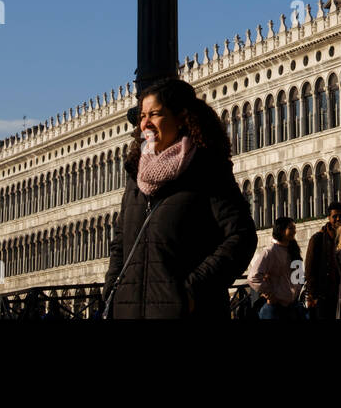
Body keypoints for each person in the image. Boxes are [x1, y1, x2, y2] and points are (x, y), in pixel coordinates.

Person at [103, 77, 257, 318]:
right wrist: (113, 288)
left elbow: (241, 237)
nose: (145, 124)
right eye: (142, 116)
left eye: (154, 114)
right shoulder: (136, 176)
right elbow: (120, 242)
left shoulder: (206, 169)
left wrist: (192, 291)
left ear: (182, 118)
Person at [248, 216, 304, 319]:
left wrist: (297, 292)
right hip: (275, 308)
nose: (294, 231)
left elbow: (299, 277)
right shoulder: (269, 252)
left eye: (294, 228)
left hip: (292, 306)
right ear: (281, 230)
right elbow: (253, 277)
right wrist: (269, 293)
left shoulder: (294, 250)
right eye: (291, 228)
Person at [304, 202, 341, 319]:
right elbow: (309, 268)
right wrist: (313, 295)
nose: (338, 219)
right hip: (323, 294)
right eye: (334, 216)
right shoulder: (318, 239)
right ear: (329, 218)